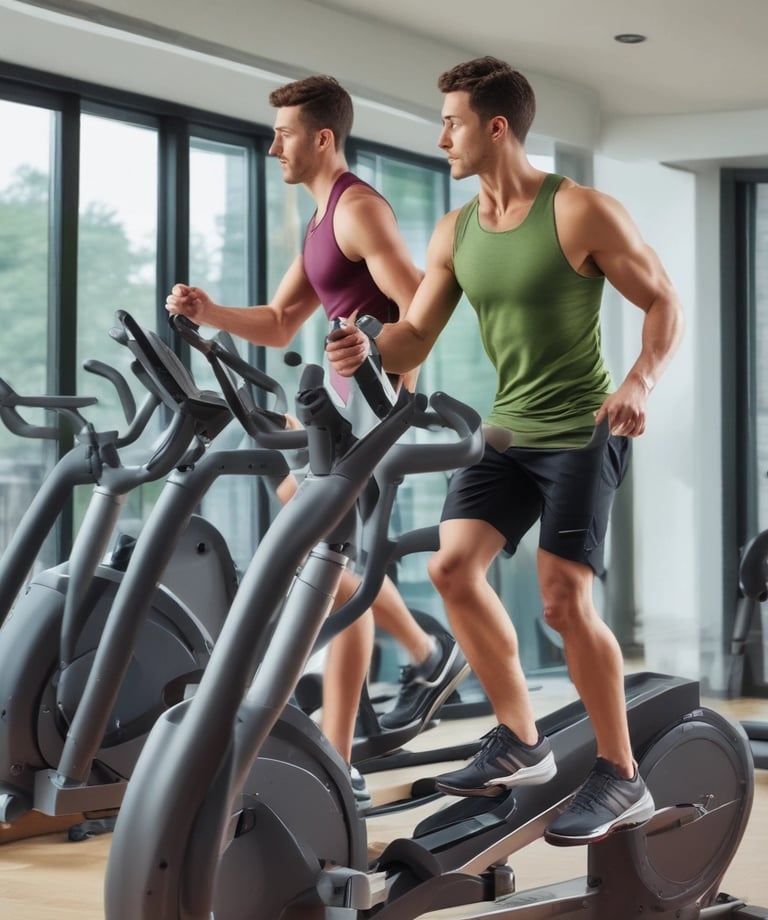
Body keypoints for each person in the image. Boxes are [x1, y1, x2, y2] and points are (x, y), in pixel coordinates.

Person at [326, 56, 685, 845]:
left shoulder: (579, 211)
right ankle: (522, 742)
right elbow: (415, 333)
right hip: (505, 429)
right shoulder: (455, 231)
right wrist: (367, 348)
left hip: (581, 428)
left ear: (496, 127)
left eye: (452, 121)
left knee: (561, 598)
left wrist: (640, 383)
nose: (442, 135)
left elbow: (662, 300)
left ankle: (623, 776)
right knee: (451, 569)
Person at [165, 75, 468, 811]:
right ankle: (360, 730)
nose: (274, 147)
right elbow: (276, 320)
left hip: (360, 406)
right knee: (330, 560)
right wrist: (208, 313)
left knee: (321, 554)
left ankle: (416, 670)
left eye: (285, 133)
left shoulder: (358, 208)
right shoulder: (317, 224)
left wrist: (386, 397)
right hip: (332, 405)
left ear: (322, 138)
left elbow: (417, 305)